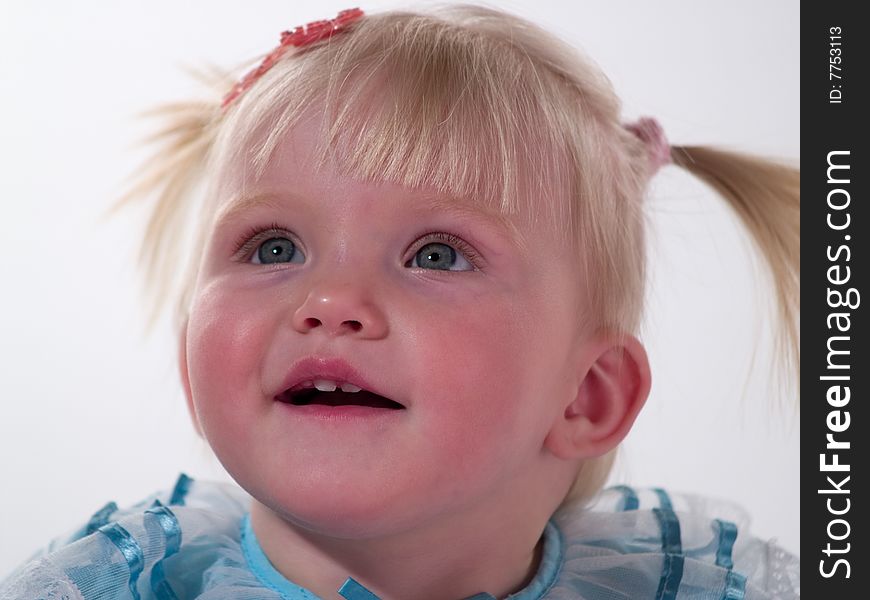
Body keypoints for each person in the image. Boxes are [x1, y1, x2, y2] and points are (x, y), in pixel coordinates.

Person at [0, 5, 799, 599]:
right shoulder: (111, 583)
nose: (330, 301)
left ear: (586, 394)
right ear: (187, 356)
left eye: (437, 255)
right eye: (273, 247)